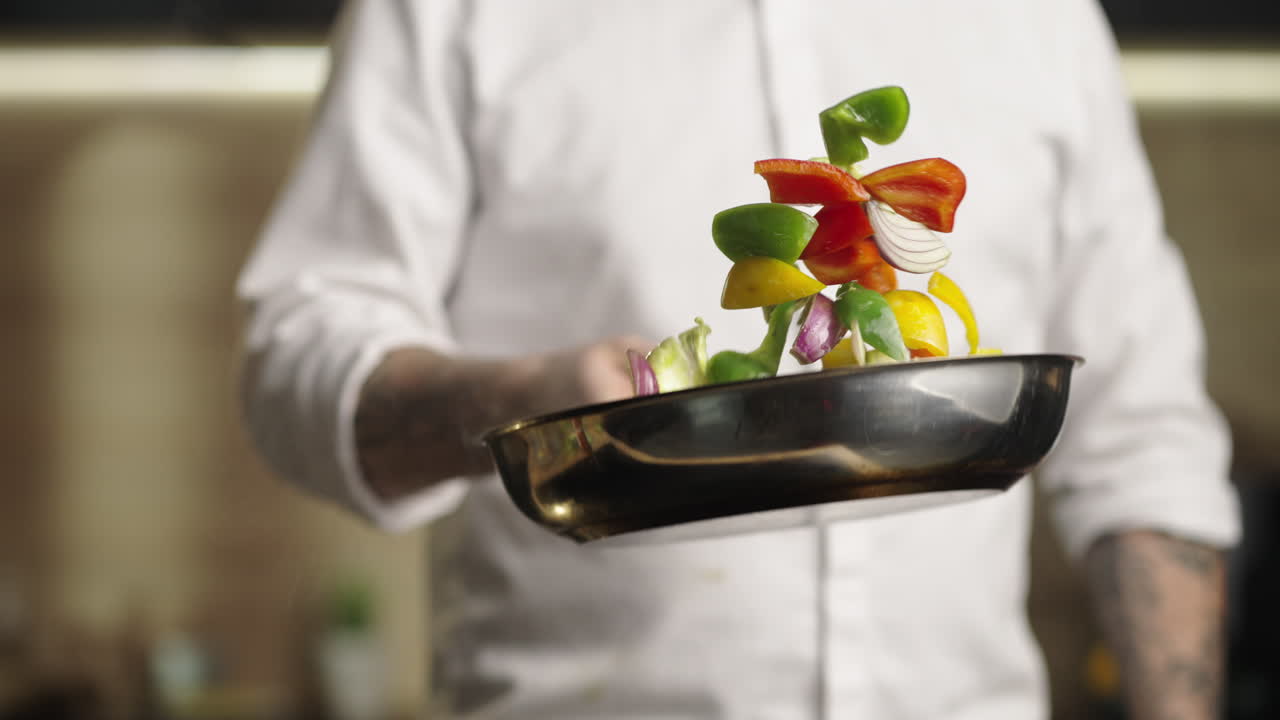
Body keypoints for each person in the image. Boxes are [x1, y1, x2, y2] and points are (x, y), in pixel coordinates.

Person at [237, 1, 1240, 718]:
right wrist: (525, 403)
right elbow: (296, 359)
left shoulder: (1041, 21)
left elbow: (1142, 441)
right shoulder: (451, 14)